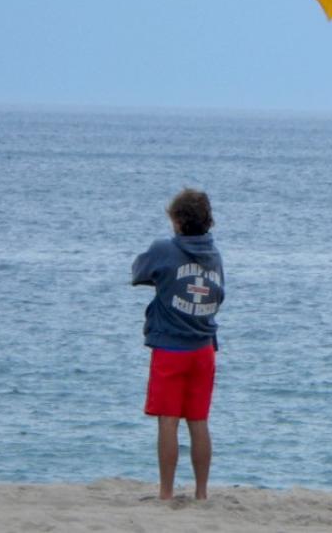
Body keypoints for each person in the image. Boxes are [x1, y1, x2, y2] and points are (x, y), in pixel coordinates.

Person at [131, 188, 225, 500]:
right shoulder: (215, 256)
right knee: (199, 421)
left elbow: (139, 272)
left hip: (171, 349)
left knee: (168, 422)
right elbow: (218, 296)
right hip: (203, 349)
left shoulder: (163, 249)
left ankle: (166, 493)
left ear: (178, 222)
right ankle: (201, 493)